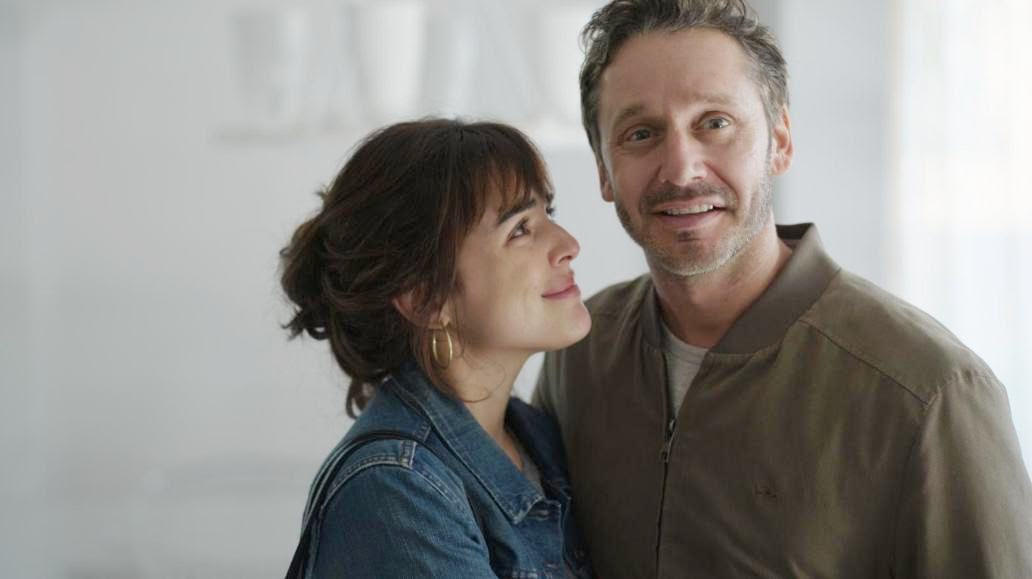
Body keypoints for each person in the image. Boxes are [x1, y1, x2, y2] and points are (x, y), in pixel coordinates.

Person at [533, 0, 1032, 577]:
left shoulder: (930, 391)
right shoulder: (577, 352)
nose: (681, 169)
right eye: (640, 134)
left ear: (781, 140)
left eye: (714, 123)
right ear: (603, 170)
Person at [280, 119, 593, 578]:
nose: (569, 244)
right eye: (520, 229)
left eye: (549, 213)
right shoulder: (397, 490)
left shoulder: (541, 438)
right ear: (425, 299)